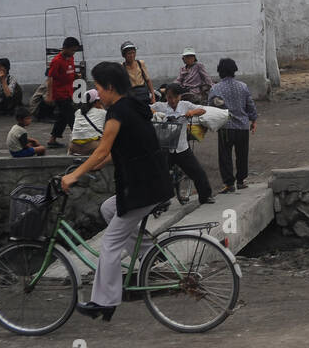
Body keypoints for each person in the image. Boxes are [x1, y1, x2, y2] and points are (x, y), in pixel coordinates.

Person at [61, 61, 174, 322]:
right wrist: (90, 168)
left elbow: (102, 149)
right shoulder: (133, 106)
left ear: (110, 87)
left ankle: (104, 301)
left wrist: (74, 175)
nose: (97, 93)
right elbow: (115, 152)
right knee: (108, 208)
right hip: (152, 182)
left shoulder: (117, 113)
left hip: (141, 187)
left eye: (98, 87)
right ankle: (150, 253)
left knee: (110, 244)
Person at [153, 83, 214, 205]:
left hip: (182, 148)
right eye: (170, 97)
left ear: (180, 96)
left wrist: (192, 113)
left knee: (198, 173)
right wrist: (154, 112)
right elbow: (146, 108)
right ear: (166, 97)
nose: (173, 100)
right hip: (165, 148)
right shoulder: (161, 106)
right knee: (159, 174)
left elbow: (202, 110)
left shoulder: (185, 105)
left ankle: (205, 196)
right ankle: (157, 202)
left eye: (176, 97)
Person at [210, 57, 258, 193]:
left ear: (220, 71)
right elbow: (250, 105)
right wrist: (253, 120)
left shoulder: (216, 88)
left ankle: (229, 184)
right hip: (242, 127)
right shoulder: (243, 86)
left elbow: (211, 106)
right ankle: (241, 181)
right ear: (234, 70)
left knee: (225, 155)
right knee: (242, 154)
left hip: (225, 128)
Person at [45, 36, 82, 148]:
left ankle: (52, 140)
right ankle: (79, 140)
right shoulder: (56, 61)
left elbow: (69, 71)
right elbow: (50, 78)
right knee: (71, 117)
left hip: (69, 91)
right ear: (65, 48)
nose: (73, 52)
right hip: (60, 94)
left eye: (75, 50)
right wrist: (49, 95)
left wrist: (76, 76)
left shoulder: (70, 58)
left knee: (62, 117)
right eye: (72, 50)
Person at [69, 89, 106, 157]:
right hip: (92, 146)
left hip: (73, 147)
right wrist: (102, 108)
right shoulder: (102, 113)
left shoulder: (78, 112)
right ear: (95, 102)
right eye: (100, 101)